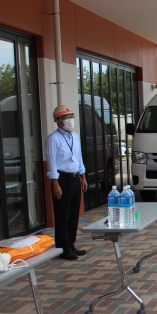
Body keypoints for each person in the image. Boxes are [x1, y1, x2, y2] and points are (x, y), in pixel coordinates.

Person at [46, 105, 88, 261]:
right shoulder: (53, 139)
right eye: (66, 117)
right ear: (58, 120)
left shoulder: (74, 136)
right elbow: (51, 162)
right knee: (62, 214)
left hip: (75, 177)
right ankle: (63, 248)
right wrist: (55, 184)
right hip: (62, 179)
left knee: (73, 214)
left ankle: (71, 244)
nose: (70, 120)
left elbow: (79, 157)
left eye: (71, 116)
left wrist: (83, 177)